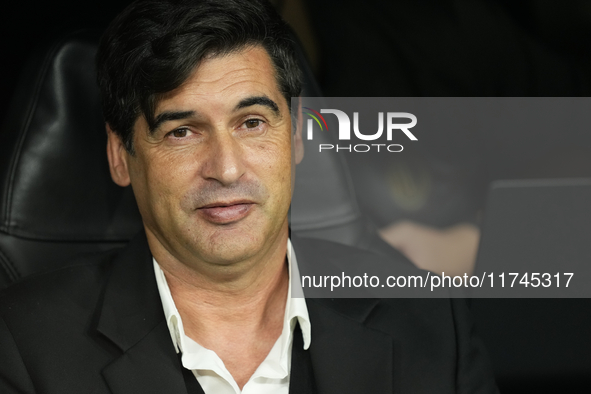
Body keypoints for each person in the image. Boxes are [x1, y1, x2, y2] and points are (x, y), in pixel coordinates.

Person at [0, 0, 499, 393]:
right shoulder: (23, 344)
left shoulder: (428, 320)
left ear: (297, 136)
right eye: (181, 132)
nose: (227, 167)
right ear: (119, 154)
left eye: (253, 123)